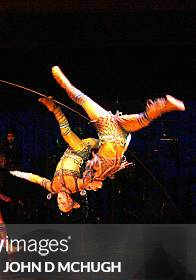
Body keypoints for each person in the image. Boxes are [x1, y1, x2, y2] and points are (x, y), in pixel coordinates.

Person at [51, 66, 185, 182]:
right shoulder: (99, 172)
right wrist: (93, 171)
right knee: (80, 98)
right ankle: (65, 84)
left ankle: (164, 106)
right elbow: (92, 179)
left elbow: (93, 169)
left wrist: (94, 164)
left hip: (116, 133)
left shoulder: (101, 168)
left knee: (144, 119)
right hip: (110, 129)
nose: (86, 168)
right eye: (86, 171)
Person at [11, 97, 102, 213]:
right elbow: (89, 174)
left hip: (70, 149)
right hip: (81, 151)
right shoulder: (77, 186)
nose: (59, 200)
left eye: (58, 203)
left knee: (93, 141)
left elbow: (37, 179)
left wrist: (17, 173)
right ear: (69, 199)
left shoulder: (53, 187)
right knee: (67, 133)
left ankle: (105, 141)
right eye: (62, 202)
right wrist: (89, 178)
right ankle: (55, 108)